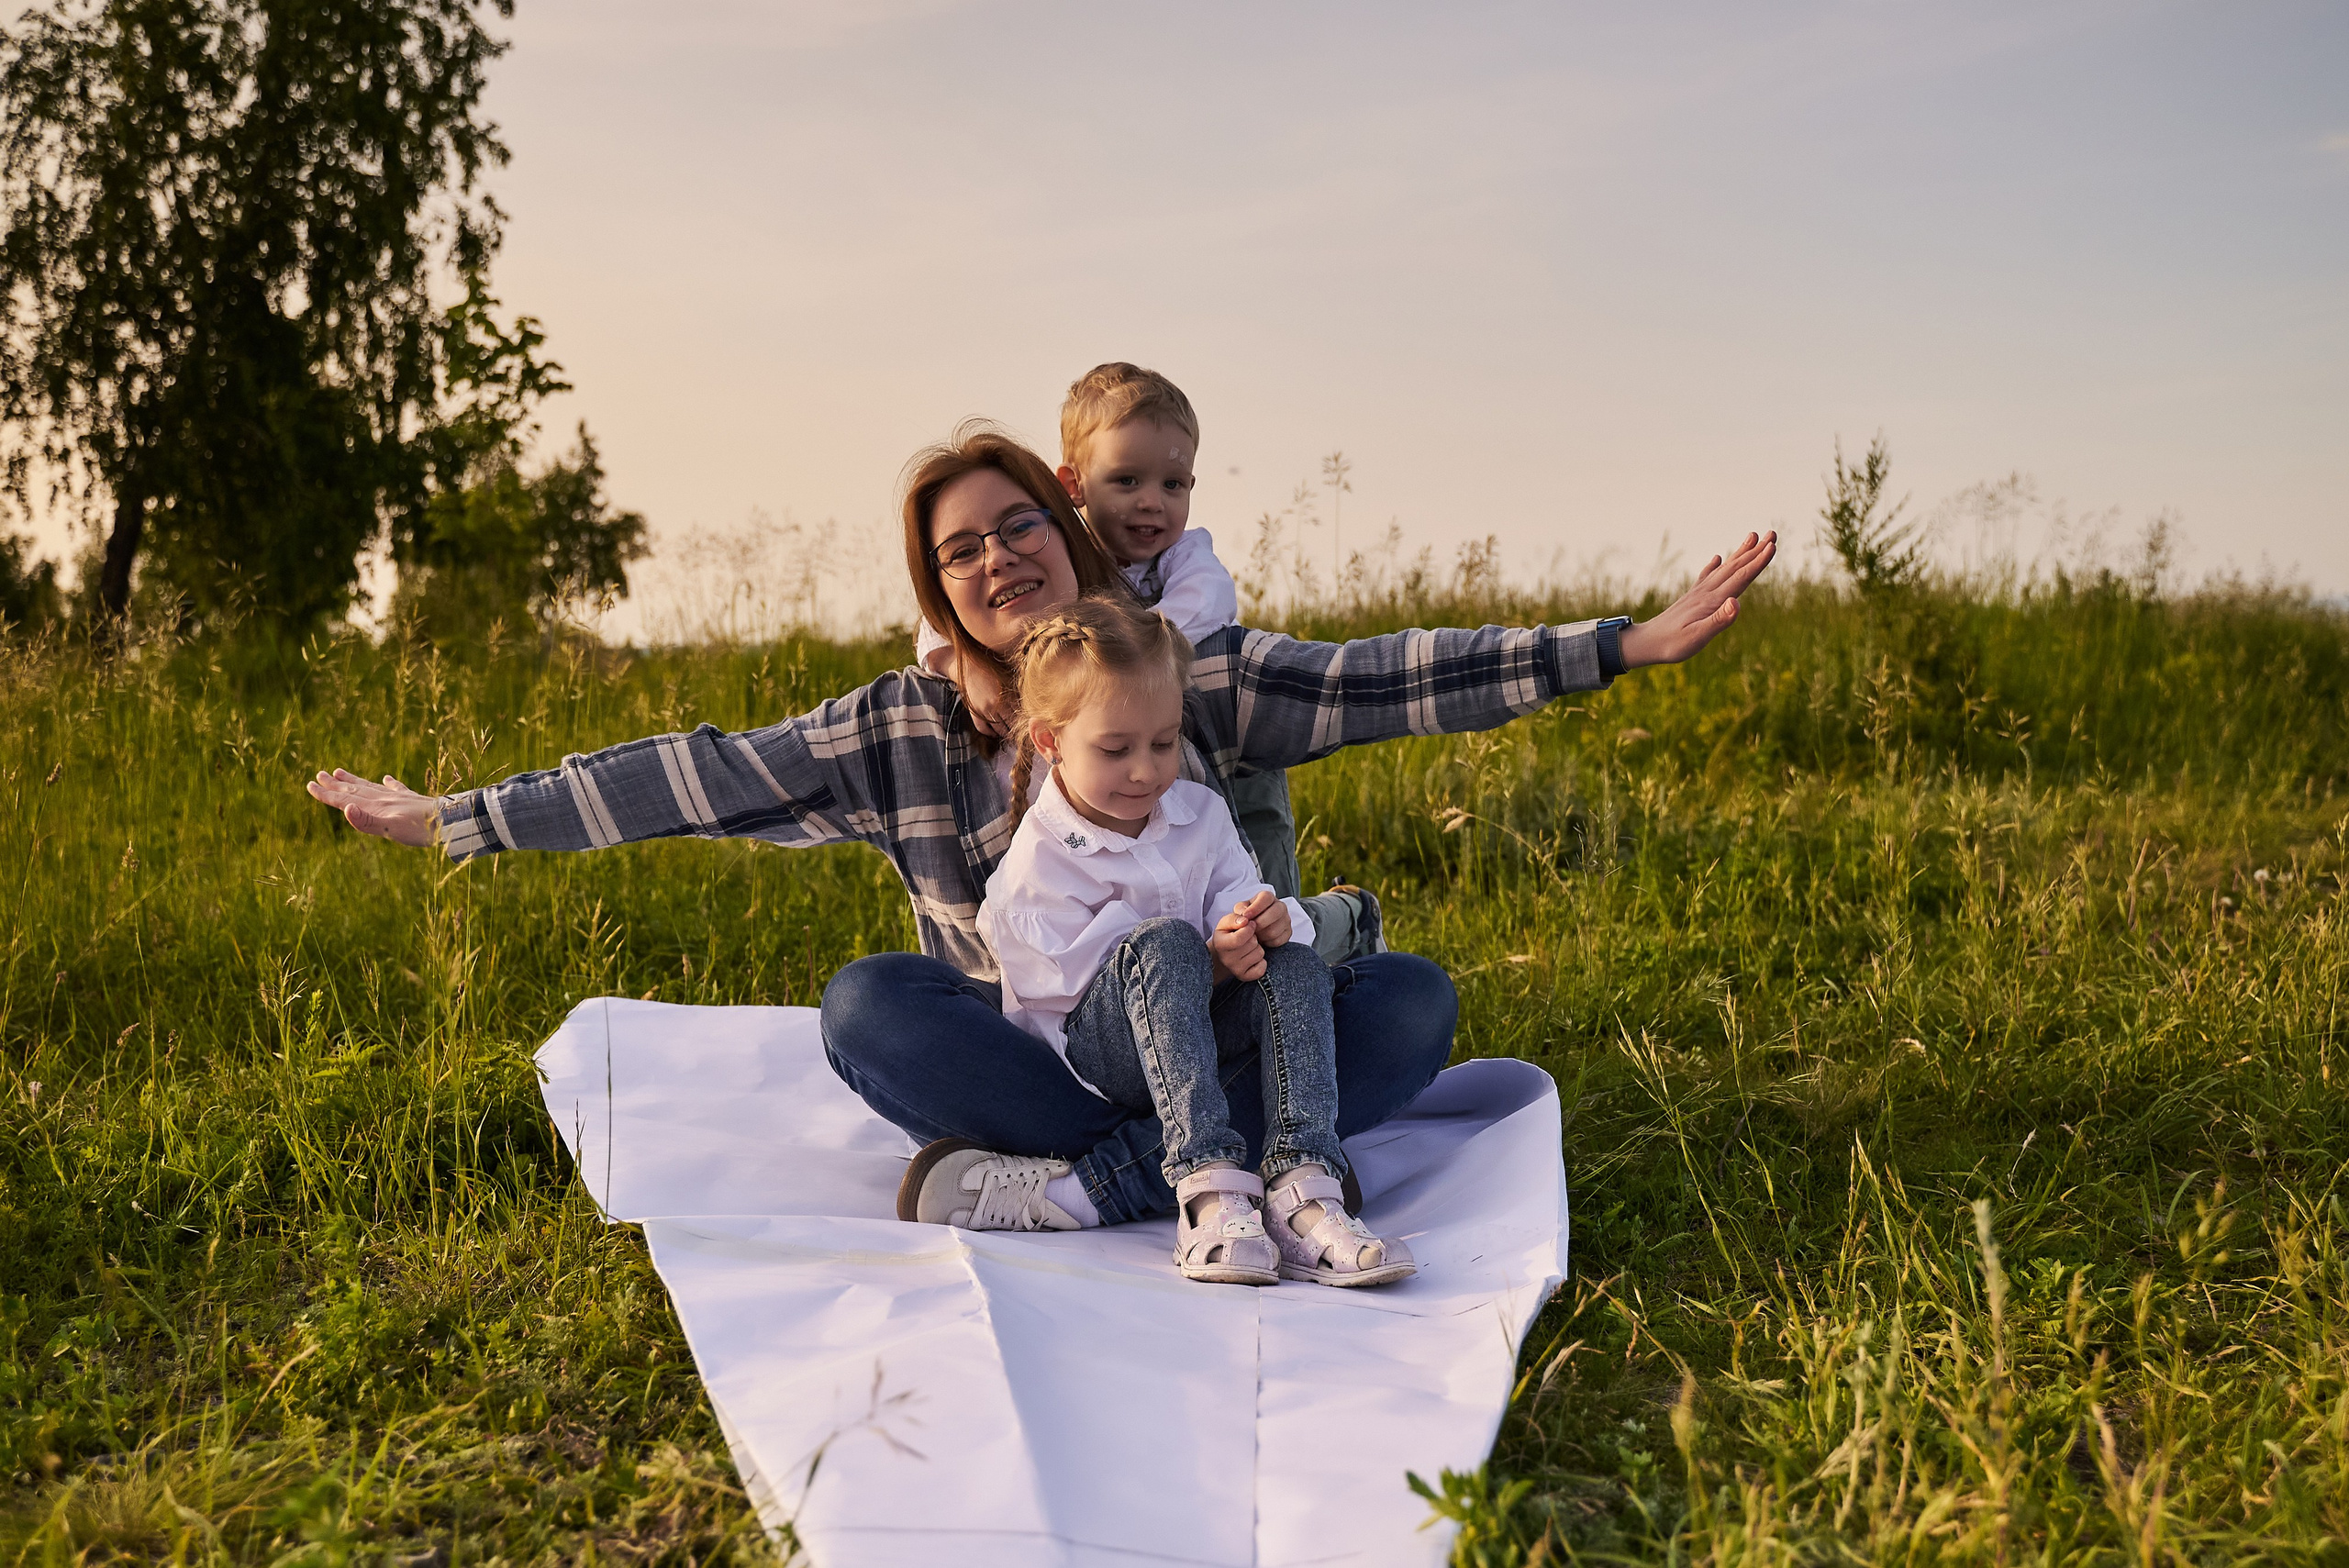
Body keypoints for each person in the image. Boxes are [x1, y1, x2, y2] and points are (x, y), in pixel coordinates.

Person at [306, 421, 1776, 1236]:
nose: (995, 556)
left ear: (1065, 535)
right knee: (870, 1002)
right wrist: (461, 818)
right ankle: (1210, 1163)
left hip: (1234, 1017)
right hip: (1043, 1055)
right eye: (960, 549)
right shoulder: (896, 727)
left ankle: (1112, 1187)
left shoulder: (1179, 673)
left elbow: (1383, 676)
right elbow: (693, 772)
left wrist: (1619, 647)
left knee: (1410, 997)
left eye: (1017, 524)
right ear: (939, 594)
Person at [930, 594, 1410, 1285]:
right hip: (1102, 1060)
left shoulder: (1200, 814)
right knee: (1165, 945)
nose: (1147, 771)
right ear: (1050, 741)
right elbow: (1059, 997)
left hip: (1205, 1031)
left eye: (1164, 742)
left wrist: (1264, 924)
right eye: (1116, 749)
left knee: (1297, 963)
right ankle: (1208, 1189)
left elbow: (1244, 906)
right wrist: (1208, 959)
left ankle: (1304, 1190)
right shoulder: (1038, 865)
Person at [915, 362, 1314, 914]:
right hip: (1144, 755)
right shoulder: (1052, 549)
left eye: (1173, 484)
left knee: (1264, 879)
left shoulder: (1186, 555)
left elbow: (1209, 598)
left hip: (1225, 751)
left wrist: (1137, 648)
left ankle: (1320, 935)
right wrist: (966, 668)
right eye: (1127, 481)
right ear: (1073, 486)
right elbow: (934, 623)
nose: (1152, 501)